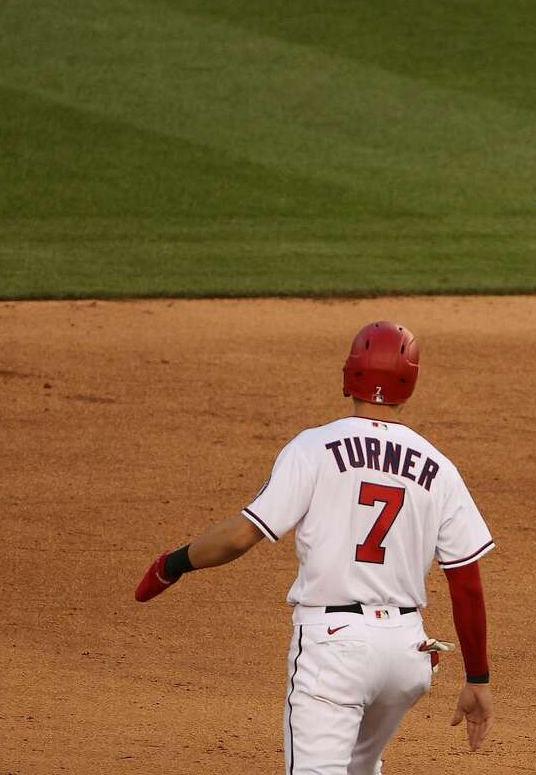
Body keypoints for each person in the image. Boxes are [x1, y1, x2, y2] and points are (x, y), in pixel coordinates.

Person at [135, 321, 496, 773]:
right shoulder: (439, 467)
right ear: (411, 382)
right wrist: (478, 678)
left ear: (350, 375)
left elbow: (242, 536)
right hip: (407, 655)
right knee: (360, 769)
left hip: (334, 650)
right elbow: (466, 582)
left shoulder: (314, 447)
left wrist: (172, 564)